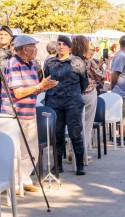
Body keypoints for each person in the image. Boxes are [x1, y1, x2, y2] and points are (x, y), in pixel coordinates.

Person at [1, 35, 58, 192]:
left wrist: (44, 86)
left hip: (29, 112)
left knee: (32, 150)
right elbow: (18, 93)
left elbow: (34, 88)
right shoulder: (13, 64)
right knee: (15, 151)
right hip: (14, 114)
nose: (36, 50)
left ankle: (24, 179)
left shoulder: (32, 64)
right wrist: (40, 87)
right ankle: (14, 183)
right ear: (25, 49)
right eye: (33, 46)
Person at [44, 35, 89, 175]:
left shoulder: (77, 62)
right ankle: (57, 165)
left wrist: (73, 93)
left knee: (75, 133)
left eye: (64, 44)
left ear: (70, 47)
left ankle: (80, 165)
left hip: (72, 103)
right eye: (59, 44)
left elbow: (84, 83)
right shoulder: (50, 62)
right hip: (54, 102)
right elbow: (46, 79)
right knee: (57, 134)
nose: (61, 46)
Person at [71, 36, 105, 161]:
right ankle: (82, 155)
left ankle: (71, 151)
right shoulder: (88, 61)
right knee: (86, 125)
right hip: (89, 93)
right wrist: (100, 68)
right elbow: (100, 76)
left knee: (74, 125)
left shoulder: (70, 60)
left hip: (74, 95)